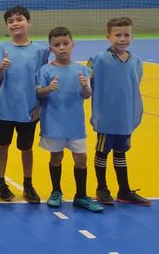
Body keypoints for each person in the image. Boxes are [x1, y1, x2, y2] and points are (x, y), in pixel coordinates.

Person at [36, 27, 103, 212]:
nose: (62, 48)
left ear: (73, 45)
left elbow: (87, 95)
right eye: (57, 45)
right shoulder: (45, 70)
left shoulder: (83, 70)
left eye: (65, 44)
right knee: (56, 157)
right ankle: (56, 191)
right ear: (51, 48)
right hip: (53, 123)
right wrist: (48, 89)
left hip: (75, 124)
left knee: (81, 159)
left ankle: (81, 195)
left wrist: (85, 87)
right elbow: (39, 93)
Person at [0, 6, 50, 203]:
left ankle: (28, 184)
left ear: (28, 22)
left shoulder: (41, 51)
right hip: (3, 107)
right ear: (7, 26)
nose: (15, 23)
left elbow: (43, 79)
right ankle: (0, 182)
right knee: (2, 146)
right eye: (11, 21)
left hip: (29, 107)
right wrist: (2, 68)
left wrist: (39, 107)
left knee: (26, 148)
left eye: (19, 19)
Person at [88, 17, 150, 206]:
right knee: (102, 152)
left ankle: (124, 190)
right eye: (118, 35)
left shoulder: (136, 62)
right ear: (108, 36)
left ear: (132, 36)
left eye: (126, 35)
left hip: (125, 117)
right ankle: (102, 188)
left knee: (121, 153)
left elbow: (134, 86)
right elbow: (87, 83)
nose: (122, 39)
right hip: (107, 117)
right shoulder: (98, 60)